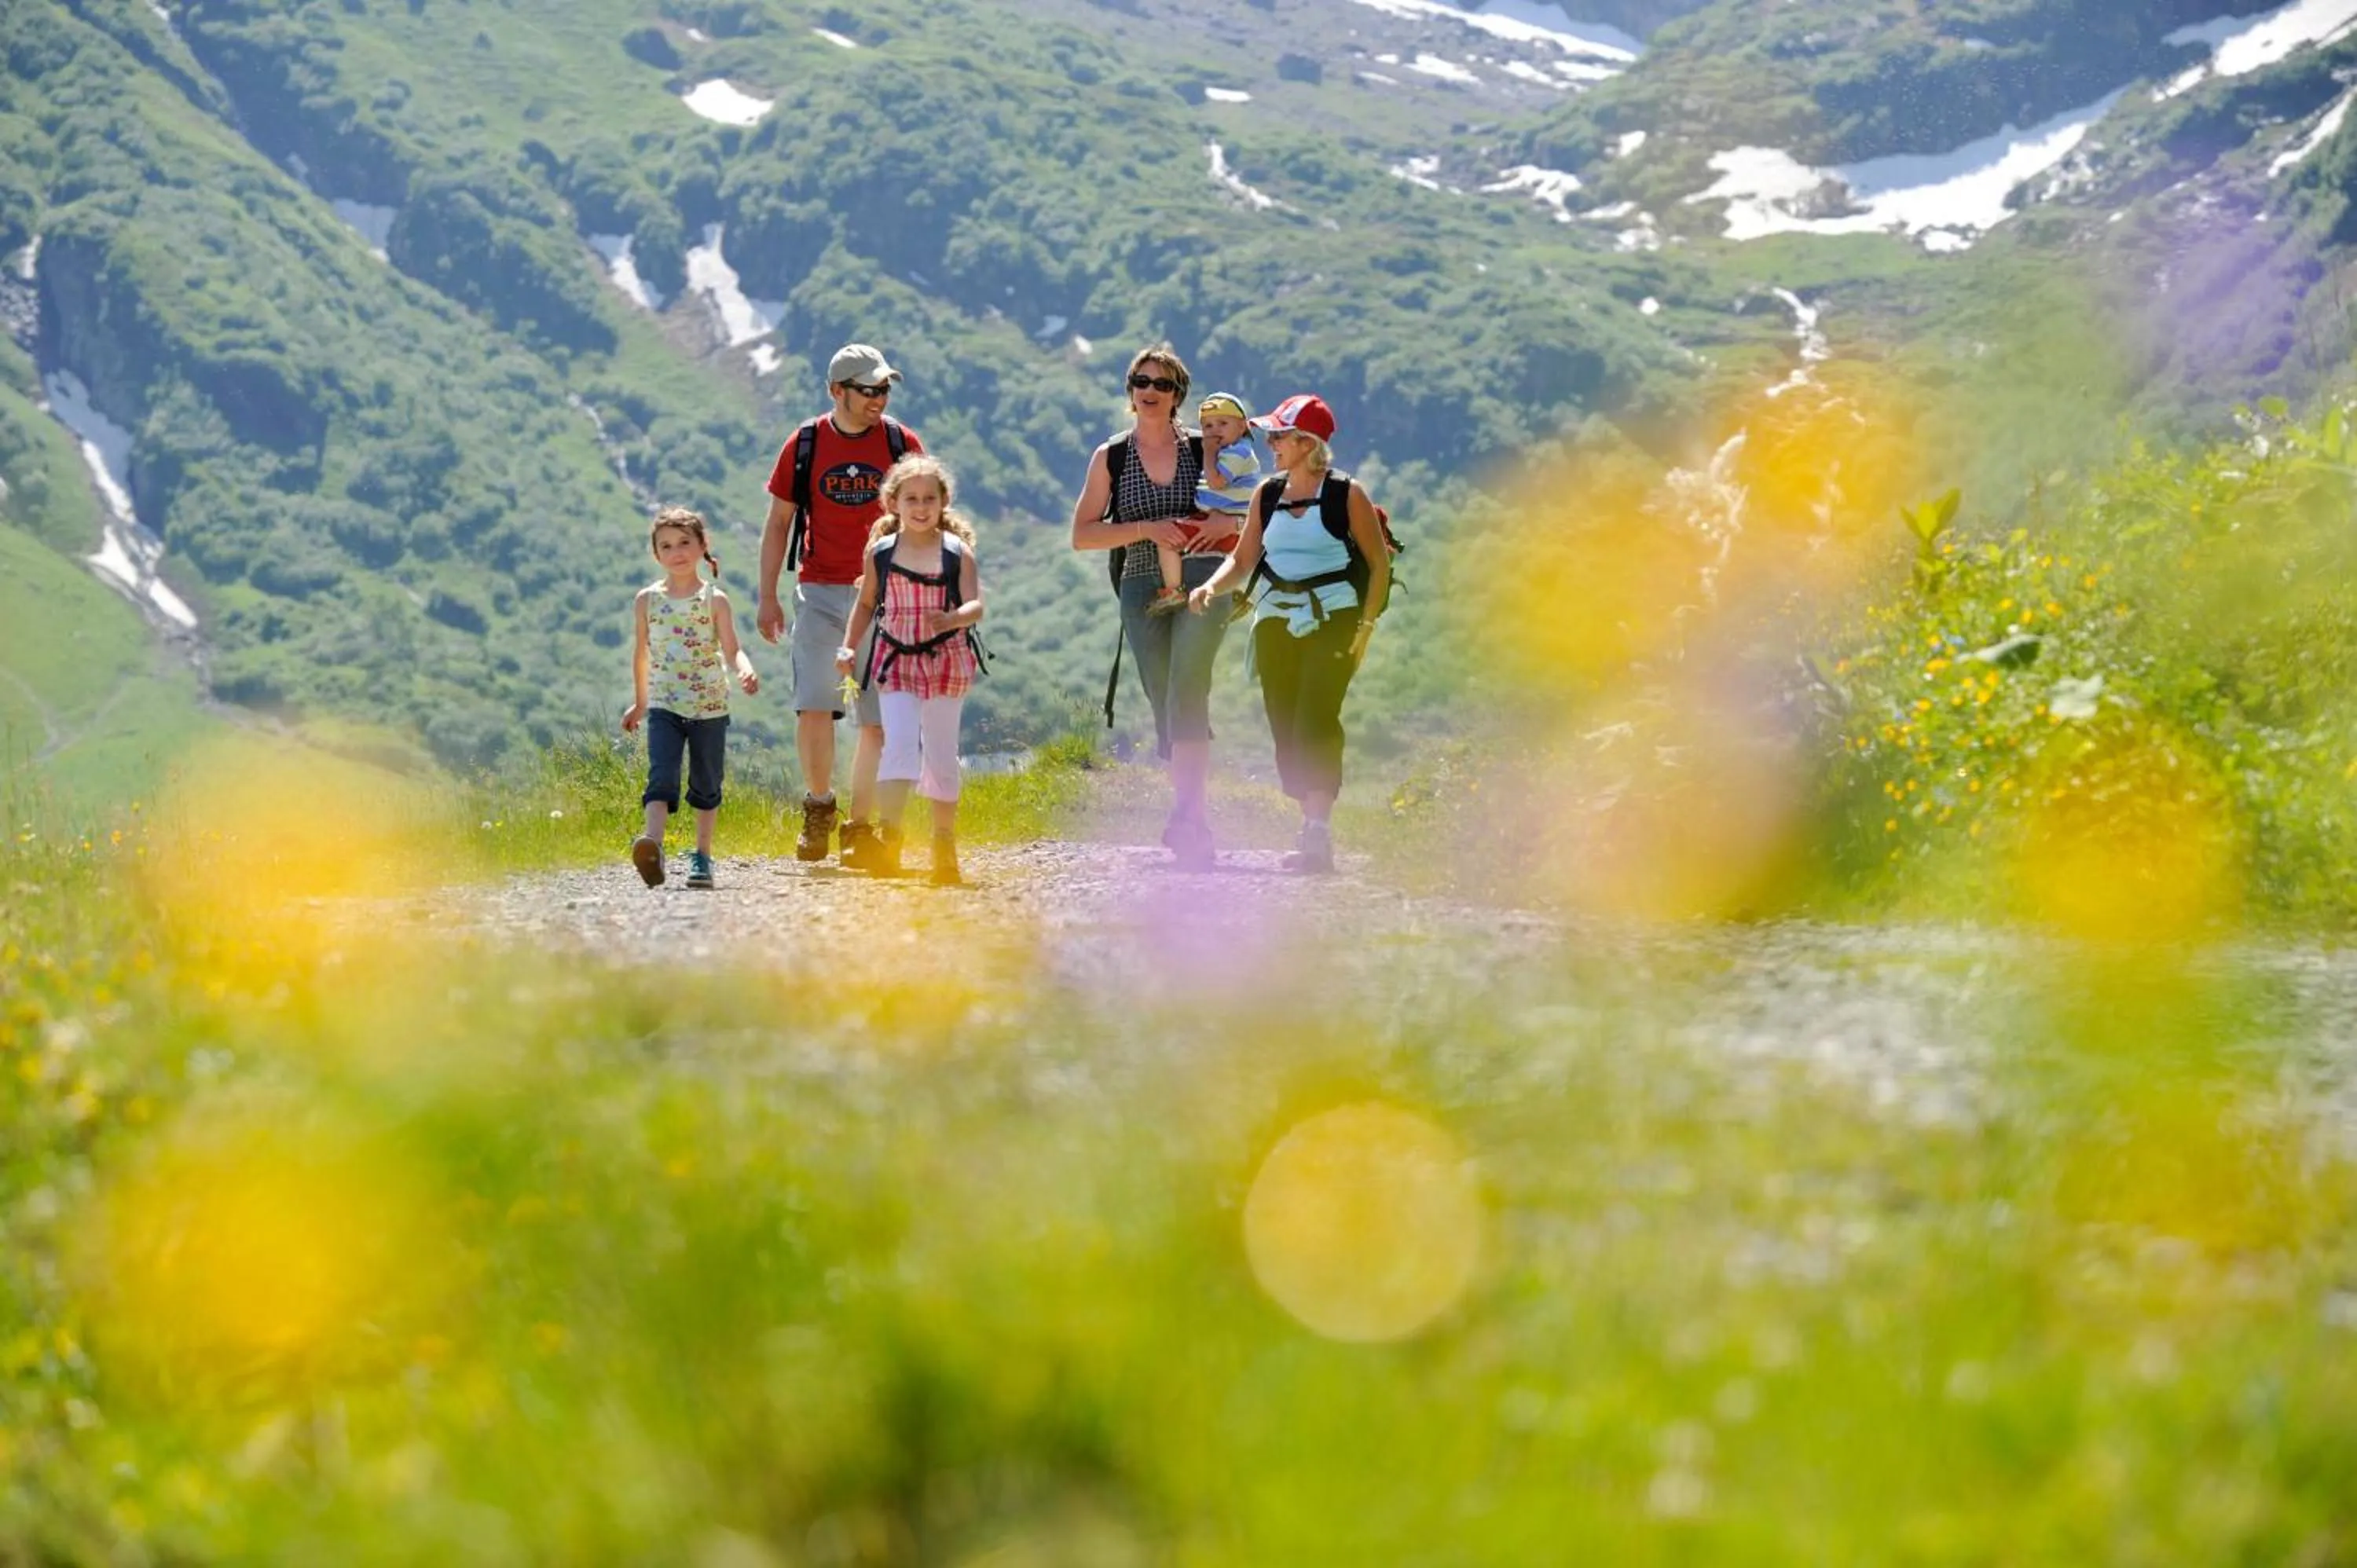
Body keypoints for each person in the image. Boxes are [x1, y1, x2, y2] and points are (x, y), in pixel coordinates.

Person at [1189, 394, 1388, 874]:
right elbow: (1242, 559)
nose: (1271, 443)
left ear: (1307, 442)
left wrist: (1365, 627)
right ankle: (1310, 826)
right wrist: (1211, 587)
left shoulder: (1347, 494)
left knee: (1316, 717)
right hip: (1275, 619)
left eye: (1280, 435)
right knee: (1285, 725)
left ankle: (1317, 831)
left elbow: (1379, 565)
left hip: (1335, 617)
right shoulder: (1268, 493)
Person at [1068, 344, 1242, 869]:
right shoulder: (1112, 457)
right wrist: (1146, 528)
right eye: (1141, 382)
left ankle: (1193, 819)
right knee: (1164, 696)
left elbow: (1251, 506)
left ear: (1177, 396)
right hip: (1141, 585)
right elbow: (1083, 535)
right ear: (1130, 391)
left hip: (1205, 577)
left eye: (1162, 384)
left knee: (1189, 685)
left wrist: (1227, 522)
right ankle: (1186, 815)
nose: (1150, 391)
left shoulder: (1204, 448)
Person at [755, 343, 926, 869]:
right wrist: (767, 596)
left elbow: (927, 516)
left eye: (884, 388)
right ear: (837, 391)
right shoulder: (804, 444)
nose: (879, 398)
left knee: (877, 721)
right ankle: (819, 807)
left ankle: (860, 827)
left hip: (888, 594)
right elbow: (779, 523)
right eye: (868, 389)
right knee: (814, 706)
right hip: (821, 590)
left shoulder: (901, 443)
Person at [836, 456, 984, 885]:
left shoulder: (957, 553)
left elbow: (975, 605)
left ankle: (943, 843)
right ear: (893, 503)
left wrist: (953, 619)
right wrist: (849, 646)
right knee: (898, 744)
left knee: (940, 752)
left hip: (945, 659)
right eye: (912, 499)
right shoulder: (881, 553)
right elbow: (867, 603)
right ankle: (891, 838)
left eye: (929, 499)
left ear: (944, 502)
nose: (921, 508)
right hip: (897, 658)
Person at [622, 507, 760, 889]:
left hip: (709, 706)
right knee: (661, 774)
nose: (677, 552)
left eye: (685, 542)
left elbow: (732, 649)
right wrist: (641, 702)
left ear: (703, 546)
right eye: (666, 546)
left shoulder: (715, 599)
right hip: (664, 704)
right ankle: (653, 844)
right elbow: (641, 654)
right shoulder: (647, 600)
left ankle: (702, 855)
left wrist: (745, 669)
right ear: (656, 555)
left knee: (706, 781)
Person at [1143, 390, 1262, 617]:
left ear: (1242, 427)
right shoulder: (1232, 451)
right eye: (1208, 426)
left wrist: (1208, 452)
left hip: (1221, 520)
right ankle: (1233, 596)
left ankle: (1174, 591)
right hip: (1223, 521)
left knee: (1166, 536)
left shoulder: (1239, 453)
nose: (1214, 430)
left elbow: (1216, 482)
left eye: (1223, 424)